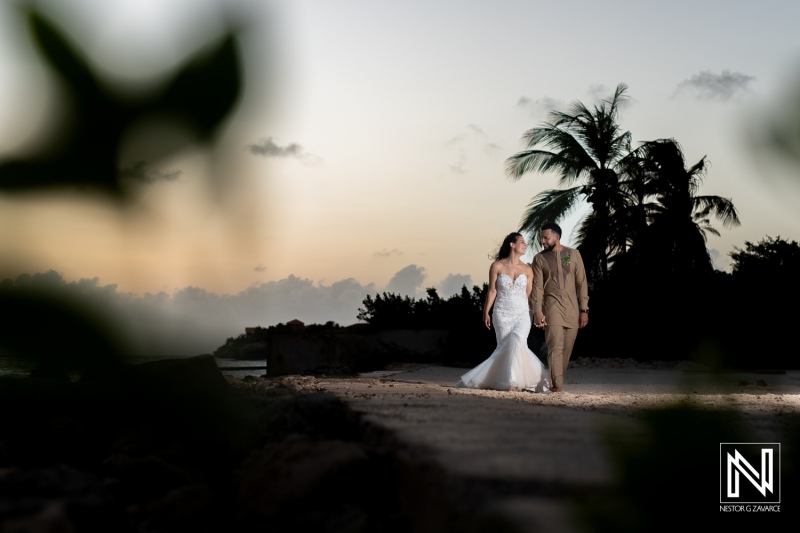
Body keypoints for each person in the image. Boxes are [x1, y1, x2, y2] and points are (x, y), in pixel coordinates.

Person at [456, 232, 549, 392]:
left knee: (517, 341)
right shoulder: (497, 266)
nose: (525, 245)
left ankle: (511, 382)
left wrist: (537, 313)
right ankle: (505, 381)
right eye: (521, 242)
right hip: (501, 312)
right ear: (512, 245)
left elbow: (530, 295)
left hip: (522, 313)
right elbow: (492, 291)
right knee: (504, 347)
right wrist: (486, 311)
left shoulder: (528, 269)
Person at [530, 222, 589, 393]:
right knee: (555, 345)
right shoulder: (539, 259)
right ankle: (557, 386)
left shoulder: (573, 254)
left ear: (557, 237)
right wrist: (537, 311)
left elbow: (581, 283)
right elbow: (538, 288)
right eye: (542, 238)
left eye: (546, 238)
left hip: (572, 308)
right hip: (552, 307)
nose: (543, 241)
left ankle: (556, 381)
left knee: (567, 347)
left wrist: (584, 309)